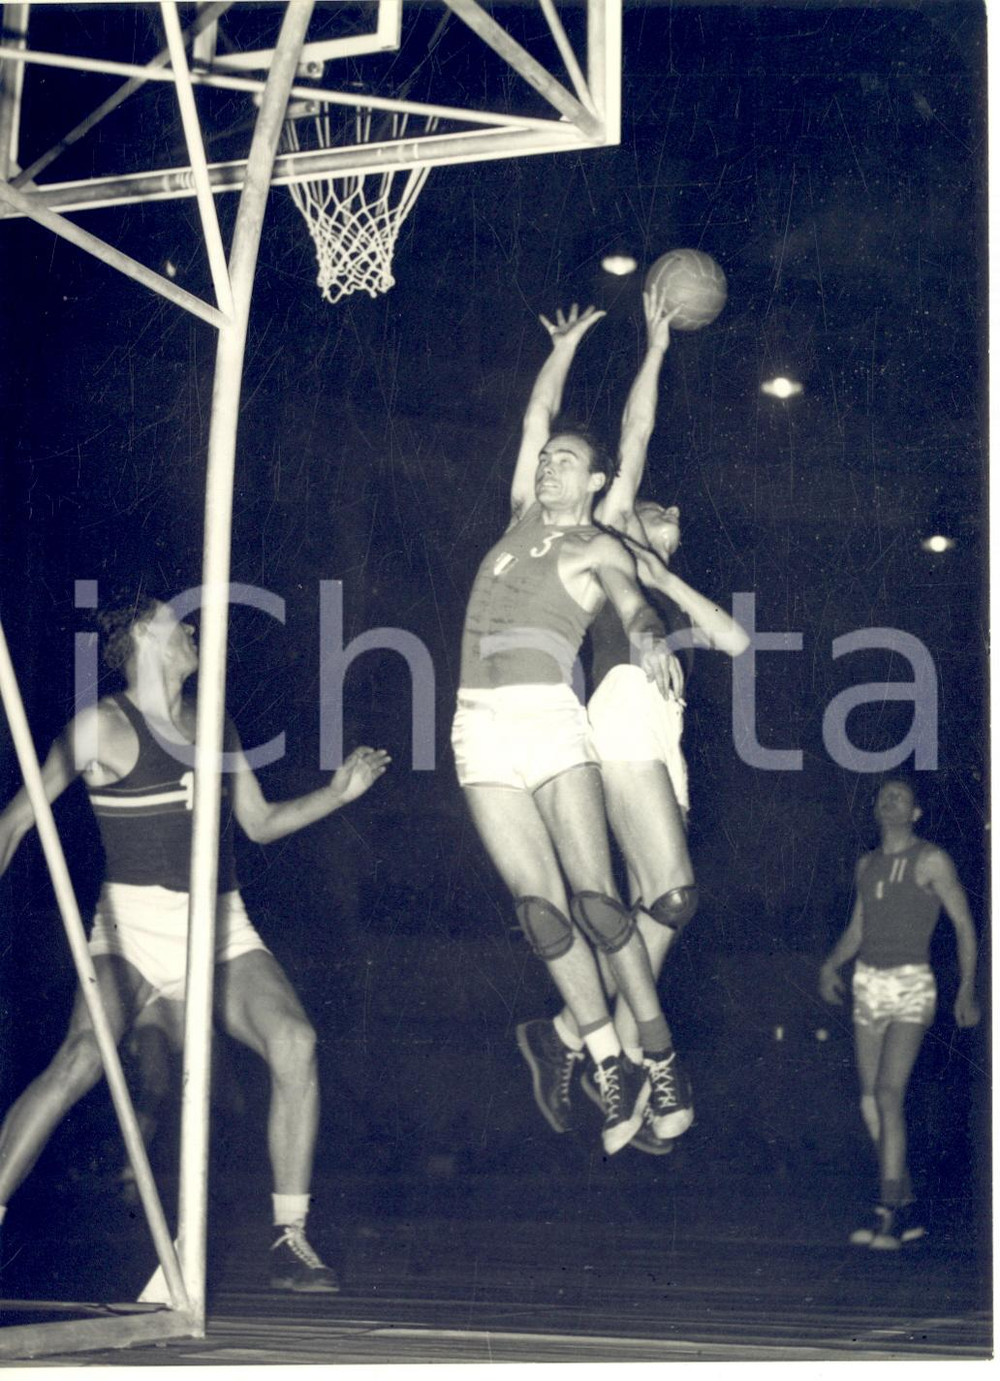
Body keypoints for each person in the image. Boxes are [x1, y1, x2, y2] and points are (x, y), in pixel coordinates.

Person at [0, 591, 390, 1292]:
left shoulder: (216, 724)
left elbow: (262, 822)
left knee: (296, 1041)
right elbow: (16, 819)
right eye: (179, 626)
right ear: (146, 635)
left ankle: (289, 1237)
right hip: (132, 927)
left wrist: (340, 792)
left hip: (219, 924)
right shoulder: (101, 726)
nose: (193, 635)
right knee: (81, 1059)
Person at [516, 289, 749, 1153]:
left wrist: (663, 573)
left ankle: (570, 1036)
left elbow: (736, 637)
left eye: (678, 519)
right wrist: (655, 347)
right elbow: (637, 436)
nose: (672, 511)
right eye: (662, 507)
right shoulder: (609, 531)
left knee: (671, 902)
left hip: (660, 740)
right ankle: (645, 1062)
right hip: (616, 716)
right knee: (671, 894)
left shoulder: (653, 577)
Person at [452, 302, 686, 1156]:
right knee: (540, 910)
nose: (549, 467)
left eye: (565, 464)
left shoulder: (602, 540)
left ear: (595, 482)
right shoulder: (520, 517)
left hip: (552, 719)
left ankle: (659, 1057)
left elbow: (631, 597)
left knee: (596, 897)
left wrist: (654, 628)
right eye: (546, 462)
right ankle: (603, 1061)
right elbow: (536, 418)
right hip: (477, 729)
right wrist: (561, 348)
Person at [819, 777, 980, 1249]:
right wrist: (831, 963)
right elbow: (858, 928)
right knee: (871, 1101)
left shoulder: (931, 860)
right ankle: (905, 1210)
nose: (891, 802)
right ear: (876, 809)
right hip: (869, 982)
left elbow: (966, 925)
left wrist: (967, 989)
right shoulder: (866, 865)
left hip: (912, 985)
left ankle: (887, 1210)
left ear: (915, 814)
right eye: (884, 796)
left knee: (890, 1095)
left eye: (902, 798)